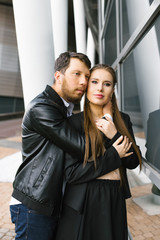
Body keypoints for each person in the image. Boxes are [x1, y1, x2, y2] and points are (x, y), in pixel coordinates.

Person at [55, 64, 142, 240]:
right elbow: (72, 174)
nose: (100, 88)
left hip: (114, 196)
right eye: (94, 82)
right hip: (85, 198)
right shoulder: (73, 123)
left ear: (113, 90)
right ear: (87, 86)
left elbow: (132, 162)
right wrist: (115, 154)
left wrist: (113, 132)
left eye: (107, 84)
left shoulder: (123, 119)